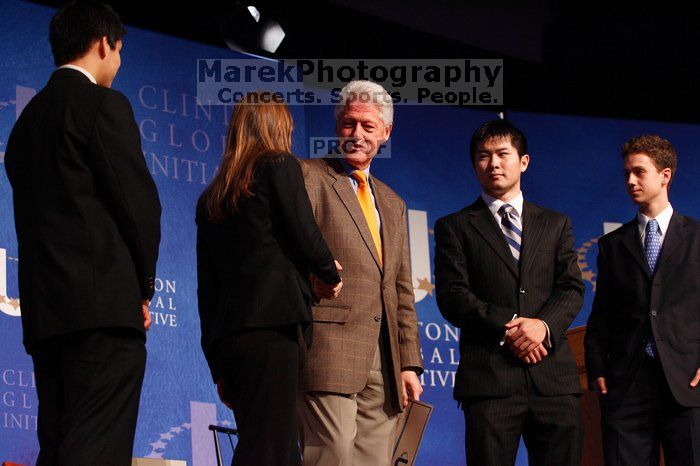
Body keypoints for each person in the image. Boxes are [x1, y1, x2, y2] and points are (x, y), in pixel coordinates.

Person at [4, 1, 161, 465]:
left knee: (59, 443)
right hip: (103, 316)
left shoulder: (25, 124)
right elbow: (139, 206)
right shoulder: (102, 105)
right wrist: (143, 287)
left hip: (47, 317)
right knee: (96, 449)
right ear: (103, 44)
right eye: (120, 49)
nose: (120, 60)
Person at [196, 91, 342, 466]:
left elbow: (206, 289)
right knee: (270, 448)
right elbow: (305, 232)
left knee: (264, 442)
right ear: (279, 127)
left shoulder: (212, 197)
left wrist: (217, 364)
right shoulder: (279, 164)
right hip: (271, 331)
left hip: (229, 342)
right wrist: (329, 273)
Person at [433, 119, 584, 466]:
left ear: (524, 161)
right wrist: (515, 326)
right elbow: (454, 296)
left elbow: (571, 287)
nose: (494, 163)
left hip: (553, 380)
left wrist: (542, 327)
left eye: (503, 154)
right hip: (490, 382)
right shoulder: (454, 226)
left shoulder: (555, 223)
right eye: (484, 156)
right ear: (474, 165)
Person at [298, 80, 424, 466]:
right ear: (337, 126)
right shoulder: (309, 176)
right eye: (349, 124)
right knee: (331, 457)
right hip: (327, 349)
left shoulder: (393, 202)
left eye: (368, 127)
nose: (357, 135)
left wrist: (408, 362)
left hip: (383, 359)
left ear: (385, 132)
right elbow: (284, 256)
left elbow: (401, 289)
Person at [585, 135, 700, 466]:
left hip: (686, 384)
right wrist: (597, 366)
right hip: (627, 386)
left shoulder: (697, 237)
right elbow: (602, 313)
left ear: (665, 175)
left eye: (639, 172)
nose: (630, 181)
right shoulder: (612, 245)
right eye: (626, 174)